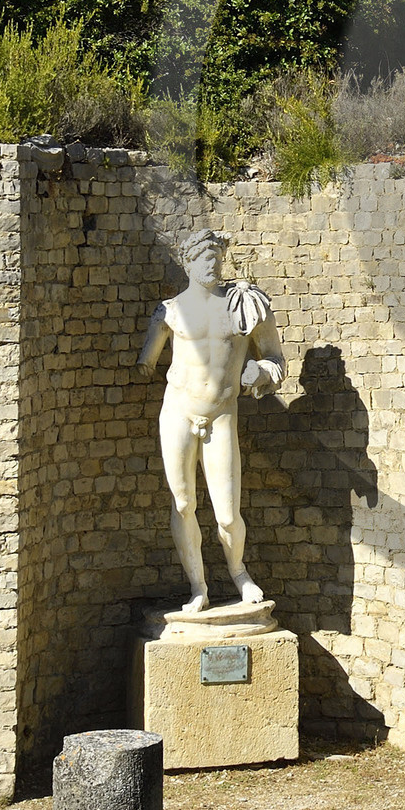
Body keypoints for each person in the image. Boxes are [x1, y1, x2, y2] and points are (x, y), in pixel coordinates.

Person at [138, 228, 285, 612]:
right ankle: (198, 586)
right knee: (183, 502)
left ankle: (239, 573)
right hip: (178, 413)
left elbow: (276, 358)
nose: (213, 265)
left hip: (221, 415)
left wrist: (264, 373)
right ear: (188, 263)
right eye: (205, 258)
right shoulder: (168, 312)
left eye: (217, 258)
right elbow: (146, 363)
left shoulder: (245, 307)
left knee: (226, 511)